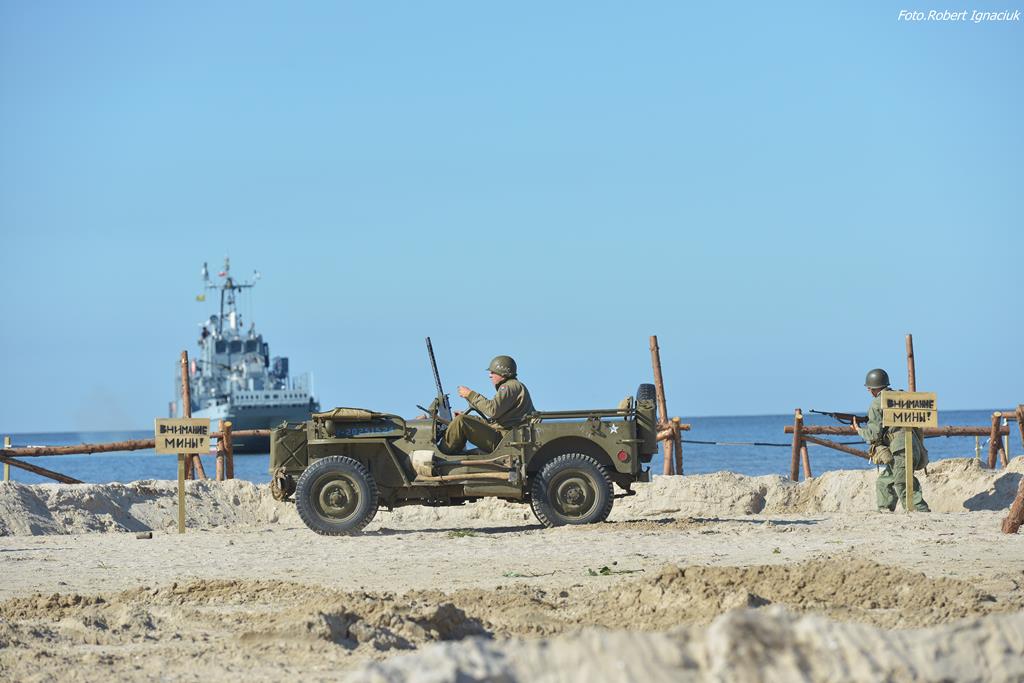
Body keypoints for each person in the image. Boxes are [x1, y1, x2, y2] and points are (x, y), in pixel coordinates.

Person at [852, 368, 930, 512]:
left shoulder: (877, 403)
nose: (868, 391)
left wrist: (858, 430)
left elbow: (873, 435)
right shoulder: (900, 396)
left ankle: (921, 511)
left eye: (869, 388)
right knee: (884, 482)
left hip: (900, 449)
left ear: (872, 388)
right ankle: (885, 509)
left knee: (903, 483)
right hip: (913, 445)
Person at [442, 355, 535, 454]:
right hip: (507, 435)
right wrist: (469, 411)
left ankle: (441, 454)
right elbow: (495, 416)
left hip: (504, 439)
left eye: (493, 372)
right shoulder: (514, 386)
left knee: (461, 421)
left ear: (503, 373)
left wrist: (470, 395)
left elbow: (492, 410)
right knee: (464, 418)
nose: (490, 376)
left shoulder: (509, 387)